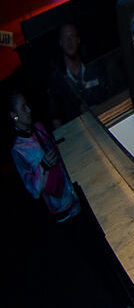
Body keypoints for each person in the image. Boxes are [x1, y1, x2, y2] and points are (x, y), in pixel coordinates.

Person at [10, 90, 81, 222]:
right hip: (63, 212)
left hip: (77, 197)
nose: (29, 110)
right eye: (23, 107)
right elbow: (34, 190)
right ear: (14, 116)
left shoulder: (38, 128)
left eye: (27, 105)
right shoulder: (18, 150)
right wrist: (43, 166)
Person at [47, 23, 106, 125]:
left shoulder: (94, 67)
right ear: (60, 42)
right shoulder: (57, 80)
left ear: (78, 40)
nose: (69, 42)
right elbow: (56, 118)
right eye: (66, 38)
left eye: (72, 36)